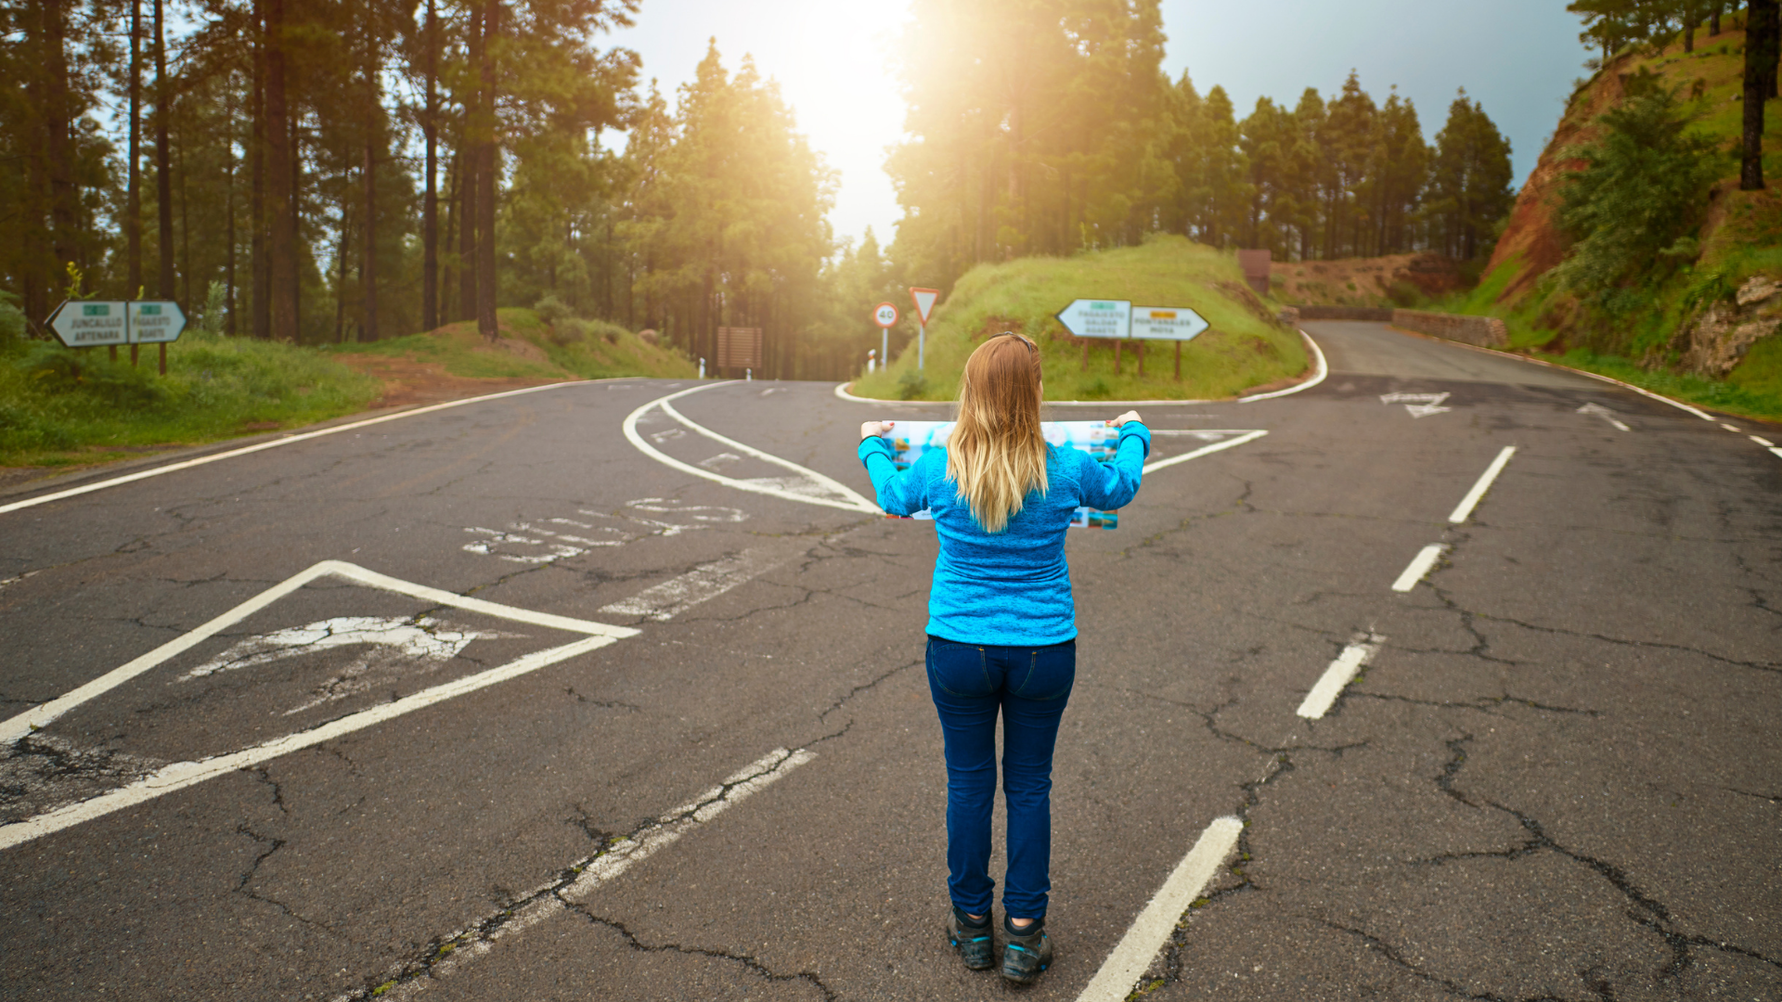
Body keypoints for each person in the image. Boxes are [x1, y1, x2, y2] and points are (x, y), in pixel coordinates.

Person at [855, 332, 1149, 985]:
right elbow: (1122, 488)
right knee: (1029, 786)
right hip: (1045, 649)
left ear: (972, 392)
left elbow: (894, 498)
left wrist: (872, 442)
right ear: (1033, 392)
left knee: (968, 783)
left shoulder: (940, 465)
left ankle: (971, 928)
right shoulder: (1065, 466)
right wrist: (1135, 431)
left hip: (959, 645)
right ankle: (1023, 935)